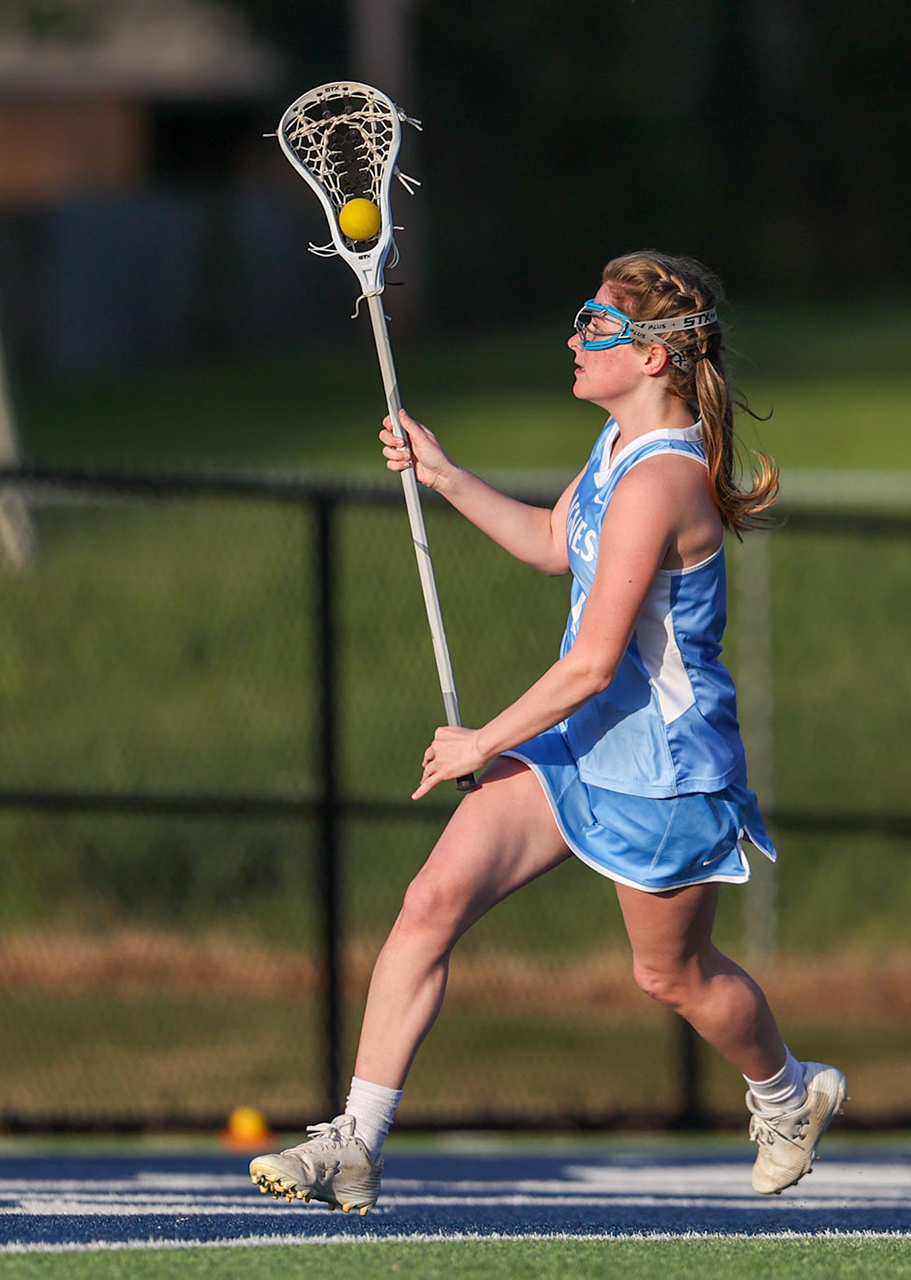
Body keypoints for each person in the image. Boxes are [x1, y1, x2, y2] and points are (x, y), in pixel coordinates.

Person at [249, 250, 845, 1214]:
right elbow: (547, 546)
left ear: (653, 357)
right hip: (575, 743)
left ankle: (787, 1093)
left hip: (662, 768)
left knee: (673, 975)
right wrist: (441, 475)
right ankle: (355, 1141)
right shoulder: (612, 449)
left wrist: (482, 741)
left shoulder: (663, 481)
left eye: (596, 326)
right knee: (430, 900)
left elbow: (594, 663)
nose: (574, 340)